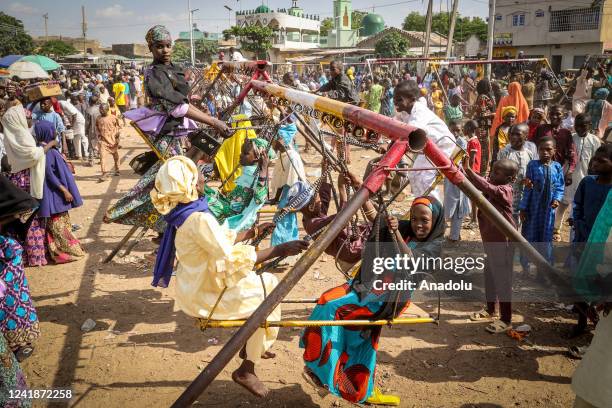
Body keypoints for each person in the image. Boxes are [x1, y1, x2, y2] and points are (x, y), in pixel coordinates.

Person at [150, 156, 308, 398]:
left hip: (195, 287)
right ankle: (247, 368)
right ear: (189, 183)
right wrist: (280, 249)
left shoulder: (184, 212)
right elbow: (228, 257)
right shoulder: (198, 218)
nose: (204, 177)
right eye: (199, 175)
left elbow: (216, 241)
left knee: (263, 285)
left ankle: (254, 344)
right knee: (271, 294)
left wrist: (252, 232)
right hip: (205, 297)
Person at [301, 196, 445, 404]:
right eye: (414, 219)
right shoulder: (406, 229)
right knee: (356, 330)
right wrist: (365, 196)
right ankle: (359, 390)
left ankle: (320, 370)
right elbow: (379, 221)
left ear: (436, 220)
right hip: (373, 286)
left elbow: (411, 261)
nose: (418, 224)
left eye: (424, 220)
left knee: (331, 307)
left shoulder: (434, 245)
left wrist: (395, 233)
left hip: (391, 298)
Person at [104, 25, 228, 234]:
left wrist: (193, 100)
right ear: (151, 49)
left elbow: (181, 99)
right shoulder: (155, 73)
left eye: (168, 46)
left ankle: (168, 226)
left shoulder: (172, 69)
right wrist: (214, 121)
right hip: (165, 133)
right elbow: (177, 107)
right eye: (160, 46)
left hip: (176, 132)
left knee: (179, 174)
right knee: (172, 175)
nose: (165, 50)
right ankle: (122, 210)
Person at [465, 158, 519, 333]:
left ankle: (506, 319)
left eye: (497, 172)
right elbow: (479, 186)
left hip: (504, 244)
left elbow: (488, 188)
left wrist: (470, 172)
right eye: (492, 170)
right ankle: (490, 309)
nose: (491, 174)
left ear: (510, 178)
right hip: (490, 242)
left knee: (503, 280)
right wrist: (463, 172)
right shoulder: (492, 185)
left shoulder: (505, 190)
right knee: (489, 275)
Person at [0, 175, 41, 361]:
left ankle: (18, 344)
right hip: (9, 253)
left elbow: (28, 204)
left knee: (11, 301)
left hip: (7, 257)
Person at [393, 80, 456, 198]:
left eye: (399, 99)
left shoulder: (419, 112)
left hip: (442, 144)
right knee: (414, 174)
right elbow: (393, 122)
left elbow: (411, 131)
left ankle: (431, 205)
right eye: (394, 99)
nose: (395, 102)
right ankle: (420, 202)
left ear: (412, 99)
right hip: (428, 146)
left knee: (425, 175)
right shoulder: (405, 112)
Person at [33, 122, 84, 263]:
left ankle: (59, 252)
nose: (56, 132)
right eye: (53, 130)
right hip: (54, 194)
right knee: (58, 226)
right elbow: (49, 174)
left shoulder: (46, 149)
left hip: (53, 193)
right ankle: (67, 252)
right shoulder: (47, 151)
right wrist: (65, 190)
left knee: (58, 224)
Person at [554, 114, 601, 241]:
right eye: (577, 126)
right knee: (562, 203)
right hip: (568, 176)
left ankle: (574, 234)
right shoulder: (571, 138)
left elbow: (596, 160)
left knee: (578, 207)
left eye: (583, 126)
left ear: (589, 126)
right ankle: (556, 229)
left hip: (584, 178)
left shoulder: (595, 141)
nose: (579, 128)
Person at [519, 136, 565, 266]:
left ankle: (545, 267)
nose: (545, 152)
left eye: (548, 149)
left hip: (548, 211)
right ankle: (525, 266)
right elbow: (528, 188)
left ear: (554, 151)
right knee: (529, 236)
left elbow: (560, 186)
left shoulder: (557, 167)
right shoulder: (533, 165)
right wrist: (523, 208)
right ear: (537, 151)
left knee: (546, 238)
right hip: (533, 209)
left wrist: (557, 199)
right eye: (541, 149)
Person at [269, 119, 307, 246]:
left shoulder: (293, 158)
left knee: (282, 222)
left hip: (291, 195)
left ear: (282, 140)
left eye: (276, 139)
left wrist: (288, 203)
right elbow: (281, 180)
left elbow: (292, 183)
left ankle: (284, 249)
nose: (273, 142)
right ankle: (284, 249)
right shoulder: (281, 155)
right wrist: (275, 198)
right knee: (283, 222)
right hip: (284, 195)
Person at [498, 123, 537, 226]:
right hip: (507, 196)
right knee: (507, 221)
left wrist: (529, 180)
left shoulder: (529, 153)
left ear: (526, 137)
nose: (513, 137)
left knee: (519, 222)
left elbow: (532, 172)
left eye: (518, 134)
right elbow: (499, 173)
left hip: (523, 196)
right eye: (511, 134)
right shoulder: (504, 153)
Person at [533, 105, 577, 185]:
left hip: (557, 170)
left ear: (564, 116)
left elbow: (572, 153)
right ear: (548, 115)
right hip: (540, 168)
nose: (554, 116)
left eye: (558, 114)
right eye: (552, 114)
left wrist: (570, 172)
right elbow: (532, 147)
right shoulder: (541, 129)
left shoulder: (566, 133)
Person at [444, 120, 470, 242]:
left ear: (462, 130)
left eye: (458, 130)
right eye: (452, 130)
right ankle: (453, 233)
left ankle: (454, 234)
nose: (455, 133)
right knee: (450, 204)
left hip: (458, 176)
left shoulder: (461, 142)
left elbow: (457, 160)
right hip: (449, 177)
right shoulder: (445, 140)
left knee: (458, 204)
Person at [473, 79, 496, 175]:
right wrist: (493, 114)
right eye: (489, 84)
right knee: (484, 149)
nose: (490, 86)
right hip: (482, 127)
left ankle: (482, 170)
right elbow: (482, 114)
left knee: (485, 149)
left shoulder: (485, 96)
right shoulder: (483, 97)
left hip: (485, 127)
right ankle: (482, 172)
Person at [96, 103, 121, 182]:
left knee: (116, 156)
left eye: (102, 109)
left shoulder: (113, 118)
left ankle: (117, 169)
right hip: (103, 141)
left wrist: (117, 135)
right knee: (102, 157)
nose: (100, 111)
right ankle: (104, 173)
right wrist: (98, 135)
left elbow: (119, 126)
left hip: (113, 141)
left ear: (107, 110)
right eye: (100, 109)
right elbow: (96, 127)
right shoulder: (98, 118)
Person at [59, 95, 87, 161]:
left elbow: (74, 114)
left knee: (78, 138)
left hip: (78, 121)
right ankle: (80, 155)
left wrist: (72, 125)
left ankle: (82, 155)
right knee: (77, 138)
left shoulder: (62, 104)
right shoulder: (63, 103)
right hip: (78, 120)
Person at [85, 94, 101, 165]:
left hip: (91, 129)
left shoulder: (88, 110)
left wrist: (85, 130)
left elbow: (87, 122)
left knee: (91, 144)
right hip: (100, 129)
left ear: (89, 102)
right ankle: (101, 159)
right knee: (100, 143)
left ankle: (91, 160)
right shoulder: (100, 109)